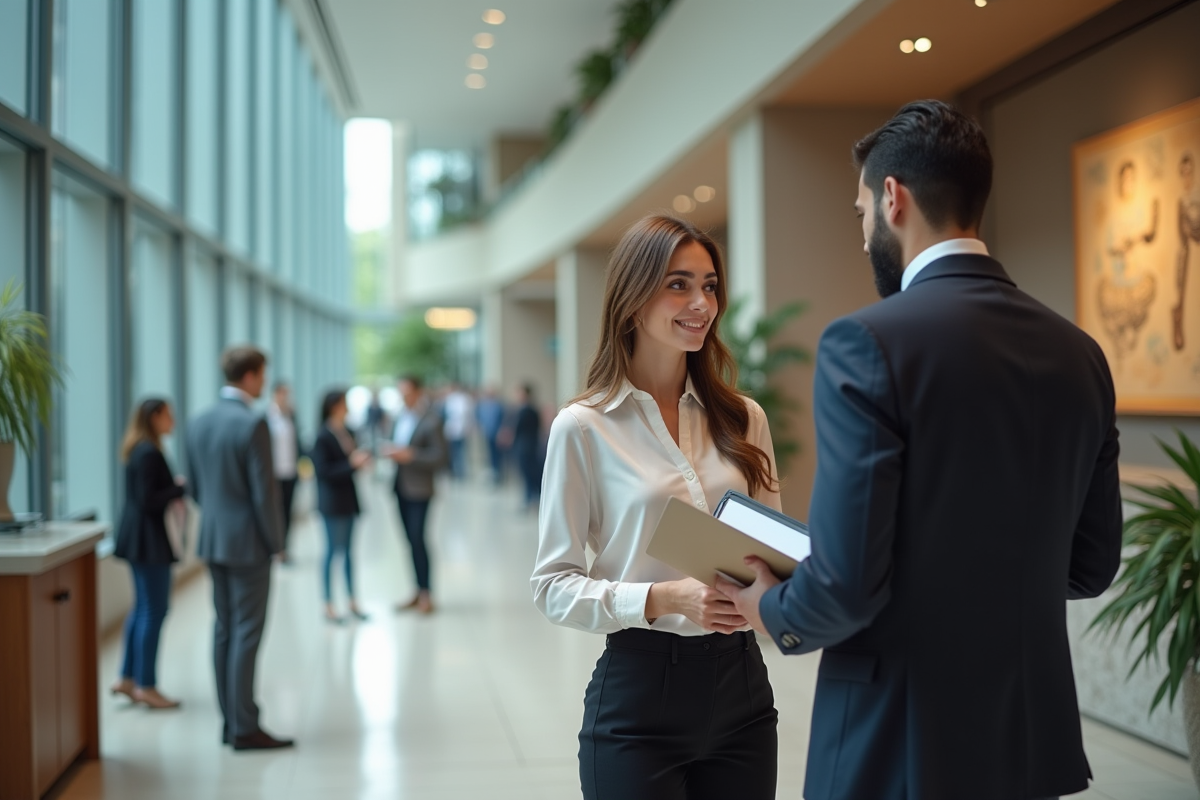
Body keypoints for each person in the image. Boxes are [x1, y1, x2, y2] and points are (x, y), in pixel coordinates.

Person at [717, 100, 1122, 800]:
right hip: (1029, 739)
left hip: (899, 737)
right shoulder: (1081, 354)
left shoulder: (868, 343)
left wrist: (768, 609)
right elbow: (1089, 565)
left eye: (860, 213)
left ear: (892, 197)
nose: (863, 232)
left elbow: (846, 584)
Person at [531, 214, 781, 800]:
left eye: (710, 285)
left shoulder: (745, 419)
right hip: (639, 692)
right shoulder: (583, 428)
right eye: (678, 283)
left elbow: (769, 555)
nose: (701, 302)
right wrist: (662, 597)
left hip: (743, 687)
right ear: (633, 299)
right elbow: (551, 585)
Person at [187, 345, 292, 751]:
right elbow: (264, 494)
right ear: (249, 376)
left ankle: (230, 721)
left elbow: (195, 488)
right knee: (247, 633)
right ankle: (245, 726)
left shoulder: (199, 421)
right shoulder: (253, 424)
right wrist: (277, 543)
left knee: (224, 630)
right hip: (248, 543)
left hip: (213, 539)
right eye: (262, 375)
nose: (264, 383)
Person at [111, 397, 187, 710]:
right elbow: (149, 499)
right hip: (149, 542)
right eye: (168, 415)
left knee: (142, 608)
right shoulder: (149, 453)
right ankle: (147, 685)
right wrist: (180, 488)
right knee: (154, 610)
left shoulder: (139, 449)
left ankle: (128, 678)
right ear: (154, 417)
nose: (173, 420)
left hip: (138, 539)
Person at [386, 375, 447, 614]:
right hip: (400, 486)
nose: (404, 398)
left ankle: (426, 593)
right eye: (401, 393)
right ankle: (417, 589)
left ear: (419, 393)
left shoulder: (432, 420)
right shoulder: (398, 418)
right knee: (409, 541)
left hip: (420, 488)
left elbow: (439, 457)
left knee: (418, 538)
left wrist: (411, 456)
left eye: (407, 393)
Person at [310, 388, 372, 624]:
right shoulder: (322, 435)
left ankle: (352, 600)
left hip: (348, 498)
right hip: (332, 501)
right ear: (335, 405)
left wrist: (358, 463)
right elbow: (323, 471)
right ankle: (328, 604)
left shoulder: (347, 430)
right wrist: (351, 464)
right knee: (331, 552)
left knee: (348, 553)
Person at [266, 382, 301, 562]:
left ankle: (284, 548)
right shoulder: (267, 417)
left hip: (290, 472)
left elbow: (298, 443)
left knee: (287, 511)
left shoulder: (291, 416)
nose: (285, 398)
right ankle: (275, 548)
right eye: (282, 394)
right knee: (275, 512)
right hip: (274, 474)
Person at [509, 384, 543, 509]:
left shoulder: (528, 411)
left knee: (529, 473)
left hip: (526, 447)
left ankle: (530, 499)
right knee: (527, 474)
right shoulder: (524, 410)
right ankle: (530, 498)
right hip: (525, 446)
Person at [475, 386, 508, 485]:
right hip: (487, 434)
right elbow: (478, 417)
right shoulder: (482, 405)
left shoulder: (499, 405)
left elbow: (503, 420)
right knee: (489, 455)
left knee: (498, 456)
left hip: (497, 435)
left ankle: (499, 474)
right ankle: (492, 474)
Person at [442, 383, 474, 480]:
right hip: (451, 430)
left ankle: (460, 472)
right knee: (453, 452)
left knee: (460, 452)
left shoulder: (463, 399)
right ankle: (453, 471)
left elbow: (466, 416)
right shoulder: (450, 399)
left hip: (460, 431)